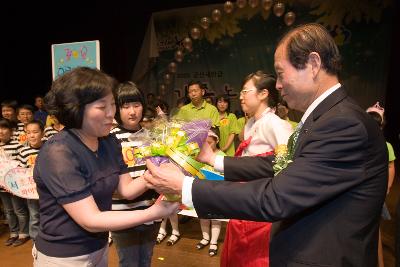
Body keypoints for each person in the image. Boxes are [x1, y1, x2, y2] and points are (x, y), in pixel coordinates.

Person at [143, 23, 388, 266]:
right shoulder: (326, 117)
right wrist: (215, 159)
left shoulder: (343, 124)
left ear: (313, 64)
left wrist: (186, 186)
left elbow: (276, 197)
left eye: (281, 74)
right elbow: (279, 164)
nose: (278, 86)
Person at [33, 67, 179, 266]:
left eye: (112, 105)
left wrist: (157, 173)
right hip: (64, 256)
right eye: (102, 107)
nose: (112, 113)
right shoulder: (58, 153)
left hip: (98, 248)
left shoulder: (109, 141)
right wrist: (154, 212)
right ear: (76, 109)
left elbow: (126, 190)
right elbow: (90, 220)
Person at [221, 71, 292, 267]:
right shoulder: (251, 123)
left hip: (261, 209)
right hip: (244, 203)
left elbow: (285, 166)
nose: (241, 96)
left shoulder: (276, 124)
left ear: (263, 94)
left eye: (245, 91)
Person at [110, 81, 160, 267]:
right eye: (126, 106)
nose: (132, 111)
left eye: (137, 105)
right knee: (129, 263)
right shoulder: (109, 138)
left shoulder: (152, 136)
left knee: (145, 261)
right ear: (117, 109)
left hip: (152, 210)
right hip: (122, 214)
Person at [366, 102, 396, 267]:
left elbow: (391, 166)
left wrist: (387, 188)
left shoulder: (386, 146)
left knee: (375, 230)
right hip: (362, 192)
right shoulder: (361, 142)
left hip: (374, 193)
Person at [0, 118, 30, 247]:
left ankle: (23, 233)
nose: (1, 131)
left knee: (19, 210)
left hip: (15, 185)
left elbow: (20, 166)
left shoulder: (18, 146)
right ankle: (13, 233)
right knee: (8, 211)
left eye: (4, 128)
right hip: (1, 186)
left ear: (11, 131)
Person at [197, 127, 224, 256]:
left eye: (210, 143)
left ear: (217, 141)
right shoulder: (199, 155)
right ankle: (205, 238)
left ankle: (213, 241)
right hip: (202, 191)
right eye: (205, 143)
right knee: (203, 216)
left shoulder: (222, 156)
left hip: (217, 193)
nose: (207, 146)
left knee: (216, 218)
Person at [17, 120, 45, 243]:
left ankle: (49, 239)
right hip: (32, 192)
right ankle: (35, 240)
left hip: (49, 190)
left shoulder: (49, 147)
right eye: (28, 132)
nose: (32, 135)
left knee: (50, 214)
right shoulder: (23, 152)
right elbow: (20, 172)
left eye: (35, 132)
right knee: (34, 216)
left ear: (43, 133)